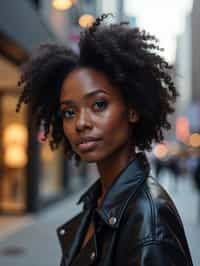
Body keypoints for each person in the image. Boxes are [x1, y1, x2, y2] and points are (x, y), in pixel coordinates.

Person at [16, 13, 193, 266]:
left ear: (132, 109)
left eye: (99, 104)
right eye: (69, 111)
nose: (81, 122)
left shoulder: (150, 223)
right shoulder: (98, 201)